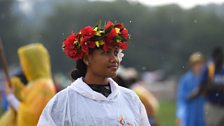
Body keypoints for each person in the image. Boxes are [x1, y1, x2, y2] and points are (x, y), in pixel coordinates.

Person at [38, 21, 150, 126]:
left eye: (116, 53)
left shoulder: (130, 99)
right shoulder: (64, 102)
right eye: (106, 53)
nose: (114, 59)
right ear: (87, 58)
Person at [0, 43, 56, 126]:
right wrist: (17, 89)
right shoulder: (34, 84)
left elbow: (32, 116)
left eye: (24, 61)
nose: (22, 65)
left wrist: (11, 98)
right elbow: (26, 101)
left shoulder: (44, 86)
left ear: (33, 62)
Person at [189, 47, 224, 126]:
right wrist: (217, 87)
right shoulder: (209, 69)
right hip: (212, 106)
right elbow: (202, 86)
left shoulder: (222, 68)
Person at [176, 52, 205, 126]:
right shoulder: (186, 79)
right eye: (196, 64)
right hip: (190, 112)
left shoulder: (205, 78)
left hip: (202, 112)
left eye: (200, 64)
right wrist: (180, 115)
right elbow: (182, 98)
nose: (198, 66)